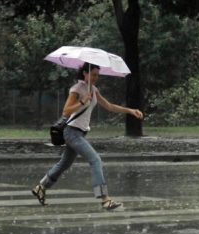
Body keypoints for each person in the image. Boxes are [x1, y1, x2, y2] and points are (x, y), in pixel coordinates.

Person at [32, 62, 143, 210]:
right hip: (72, 132)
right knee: (95, 160)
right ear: (85, 73)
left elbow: (109, 106)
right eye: (93, 74)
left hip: (79, 133)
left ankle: (41, 187)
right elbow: (66, 111)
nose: (96, 77)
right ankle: (105, 199)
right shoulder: (77, 89)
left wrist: (130, 110)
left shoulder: (94, 90)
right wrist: (82, 101)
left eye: (98, 75)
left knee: (64, 164)